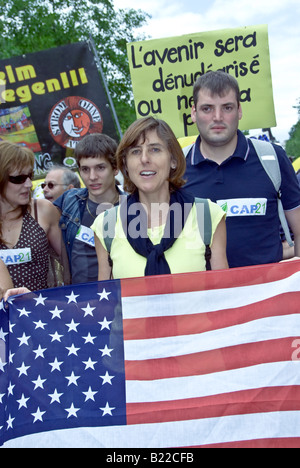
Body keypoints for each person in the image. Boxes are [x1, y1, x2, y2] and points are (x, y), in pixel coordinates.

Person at [183, 70, 300, 268]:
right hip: (202, 296)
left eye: (227, 107)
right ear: (194, 113)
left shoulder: (272, 158)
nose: (217, 117)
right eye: (207, 109)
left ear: (239, 110)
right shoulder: (175, 166)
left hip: (268, 294)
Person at [92, 117, 228, 280]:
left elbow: (223, 296)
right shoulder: (106, 225)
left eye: (155, 149)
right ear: (125, 164)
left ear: (173, 160)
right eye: (135, 151)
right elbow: (106, 301)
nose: (144, 159)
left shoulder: (208, 215)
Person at [54, 133, 123, 284]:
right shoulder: (69, 200)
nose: (92, 177)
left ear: (116, 168)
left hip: (117, 297)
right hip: (78, 299)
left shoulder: (131, 208)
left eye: (100, 168)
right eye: (85, 169)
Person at [0, 140, 62, 291]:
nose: (28, 184)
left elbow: (71, 264)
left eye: (30, 176)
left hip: (41, 309)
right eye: (18, 178)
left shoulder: (42, 210)